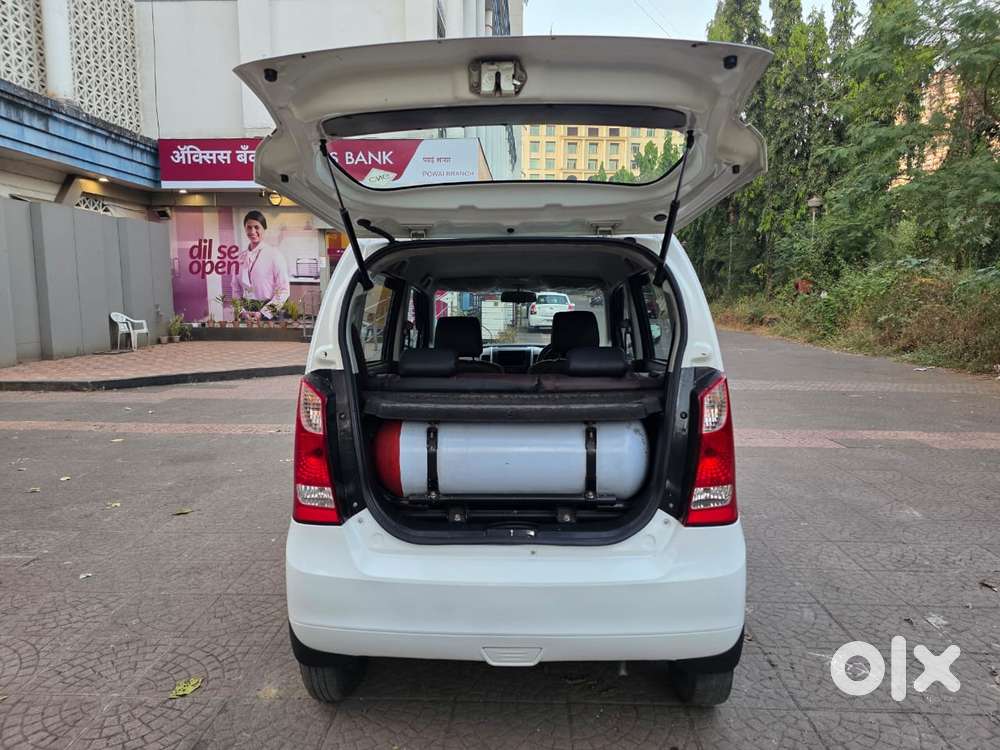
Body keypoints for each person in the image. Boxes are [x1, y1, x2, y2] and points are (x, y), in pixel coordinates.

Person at [233, 210, 289, 319]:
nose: (252, 231)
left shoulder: (274, 255)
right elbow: (235, 289)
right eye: (249, 227)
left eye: (256, 227)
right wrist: (241, 311)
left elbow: (284, 290)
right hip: (245, 313)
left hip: (268, 313)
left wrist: (264, 313)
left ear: (264, 229)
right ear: (245, 229)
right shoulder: (240, 258)